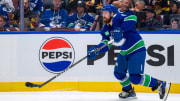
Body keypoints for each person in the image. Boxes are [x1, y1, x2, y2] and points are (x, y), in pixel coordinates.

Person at [87, 0, 170, 99]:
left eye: (106, 13)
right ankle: (129, 91)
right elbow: (106, 44)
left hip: (136, 49)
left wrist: (121, 29)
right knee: (118, 73)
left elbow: (132, 19)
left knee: (135, 78)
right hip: (124, 51)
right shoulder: (106, 28)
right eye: (102, 13)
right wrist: (96, 50)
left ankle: (159, 83)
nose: (103, 15)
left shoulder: (121, 17)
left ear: (112, 13)